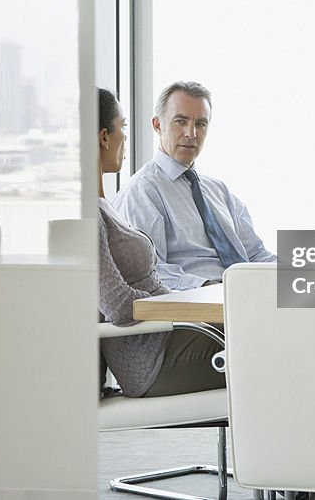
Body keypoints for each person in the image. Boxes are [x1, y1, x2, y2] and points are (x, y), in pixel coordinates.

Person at [97, 88, 225, 398]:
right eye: (123, 127)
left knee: (293, 317)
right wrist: (192, 306)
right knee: (277, 335)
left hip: (174, 335)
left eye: (201, 123)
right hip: (156, 358)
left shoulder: (102, 207)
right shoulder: (92, 214)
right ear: (104, 137)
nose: (125, 138)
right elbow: (117, 304)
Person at [113, 81, 277, 289]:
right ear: (157, 125)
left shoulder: (219, 191)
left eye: (201, 124)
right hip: (200, 307)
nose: (192, 133)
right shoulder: (142, 191)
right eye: (181, 121)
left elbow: (256, 255)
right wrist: (215, 289)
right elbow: (152, 273)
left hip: (245, 298)